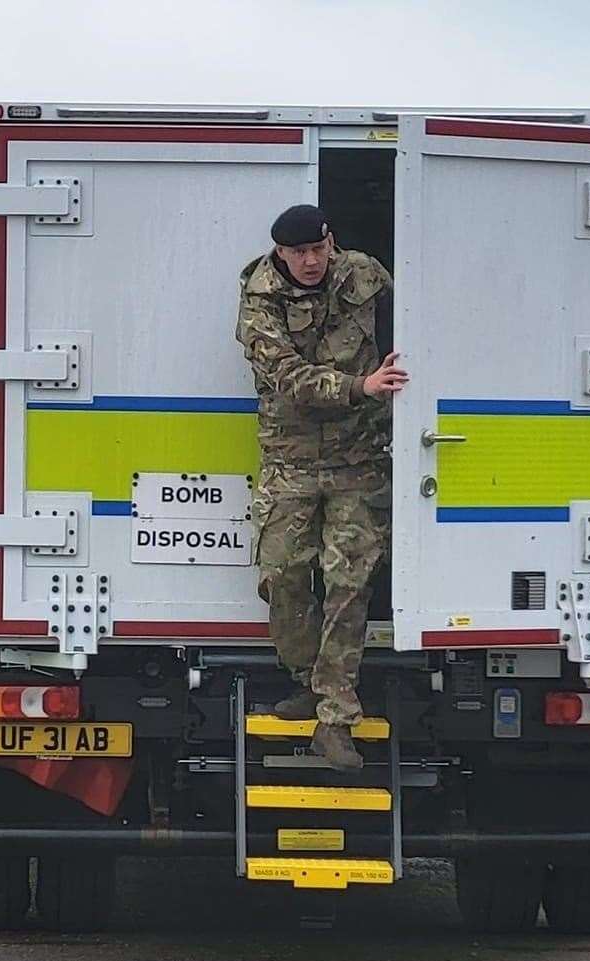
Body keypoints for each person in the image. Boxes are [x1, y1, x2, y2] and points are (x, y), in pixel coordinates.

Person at [235, 204, 410, 771]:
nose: (311, 262)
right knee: (281, 573)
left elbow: (418, 323)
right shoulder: (258, 299)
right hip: (290, 463)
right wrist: (364, 385)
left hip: (358, 460)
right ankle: (308, 679)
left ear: (330, 241)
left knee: (348, 583)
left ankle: (335, 719)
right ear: (279, 254)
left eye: (319, 249)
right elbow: (288, 378)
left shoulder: (366, 275)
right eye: (298, 254)